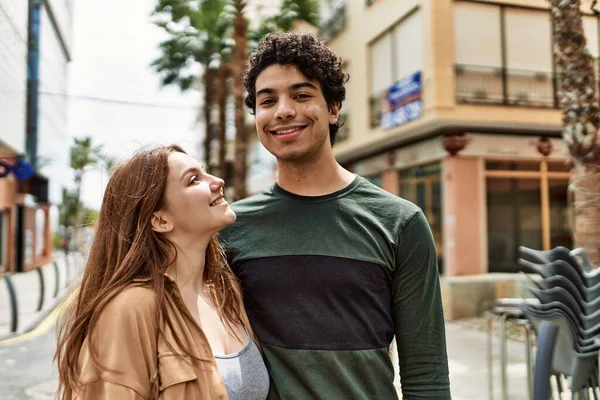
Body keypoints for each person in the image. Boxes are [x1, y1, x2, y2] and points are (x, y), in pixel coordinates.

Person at [219, 32, 451, 399]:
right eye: (267, 101)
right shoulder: (230, 228)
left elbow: (426, 372)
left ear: (333, 108)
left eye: (301, 95)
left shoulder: (400, 223)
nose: (282, 111)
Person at [55, 145, 269, 400]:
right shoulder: (129, 308)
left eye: (205, 172)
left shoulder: (226, 291)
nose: (218, 181)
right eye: (194, 180)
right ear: (160, 220)